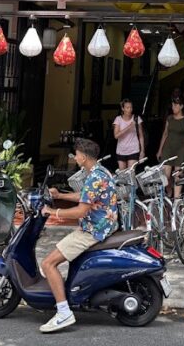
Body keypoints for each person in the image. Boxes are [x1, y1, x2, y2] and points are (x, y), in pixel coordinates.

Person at [39, 138, 119, 333]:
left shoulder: (94, 177)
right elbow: (85, 196)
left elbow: (80, 211)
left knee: (48, 264)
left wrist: (53, 212)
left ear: (84, 157)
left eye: (76, 155)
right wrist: (60, 195)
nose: (74, 158)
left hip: (92, 230)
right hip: (103, 226)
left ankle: (63, 313)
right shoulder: (101, 172)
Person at [156, 95, 184, 201]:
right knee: (166, 176)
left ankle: (176, 199)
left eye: (176, 105)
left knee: (178, 175)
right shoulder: (169, 118)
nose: (173, 107)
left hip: (181, 149)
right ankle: (169, 190)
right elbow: (165, 134)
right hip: (168, 148)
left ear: (181, 106)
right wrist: (160, 150)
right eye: (172, 105)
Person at [112, 99, 145, 170]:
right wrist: (129, 127)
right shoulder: (118, 119)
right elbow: (116, 136)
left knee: (131, 172)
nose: (130, 109)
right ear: (122, 108)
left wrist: (142, 151)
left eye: (131, 107)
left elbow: (141, 136)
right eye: (127, 107)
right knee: (122, 174)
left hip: (134, 150)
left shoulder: (136, 118)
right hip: (121, 151)